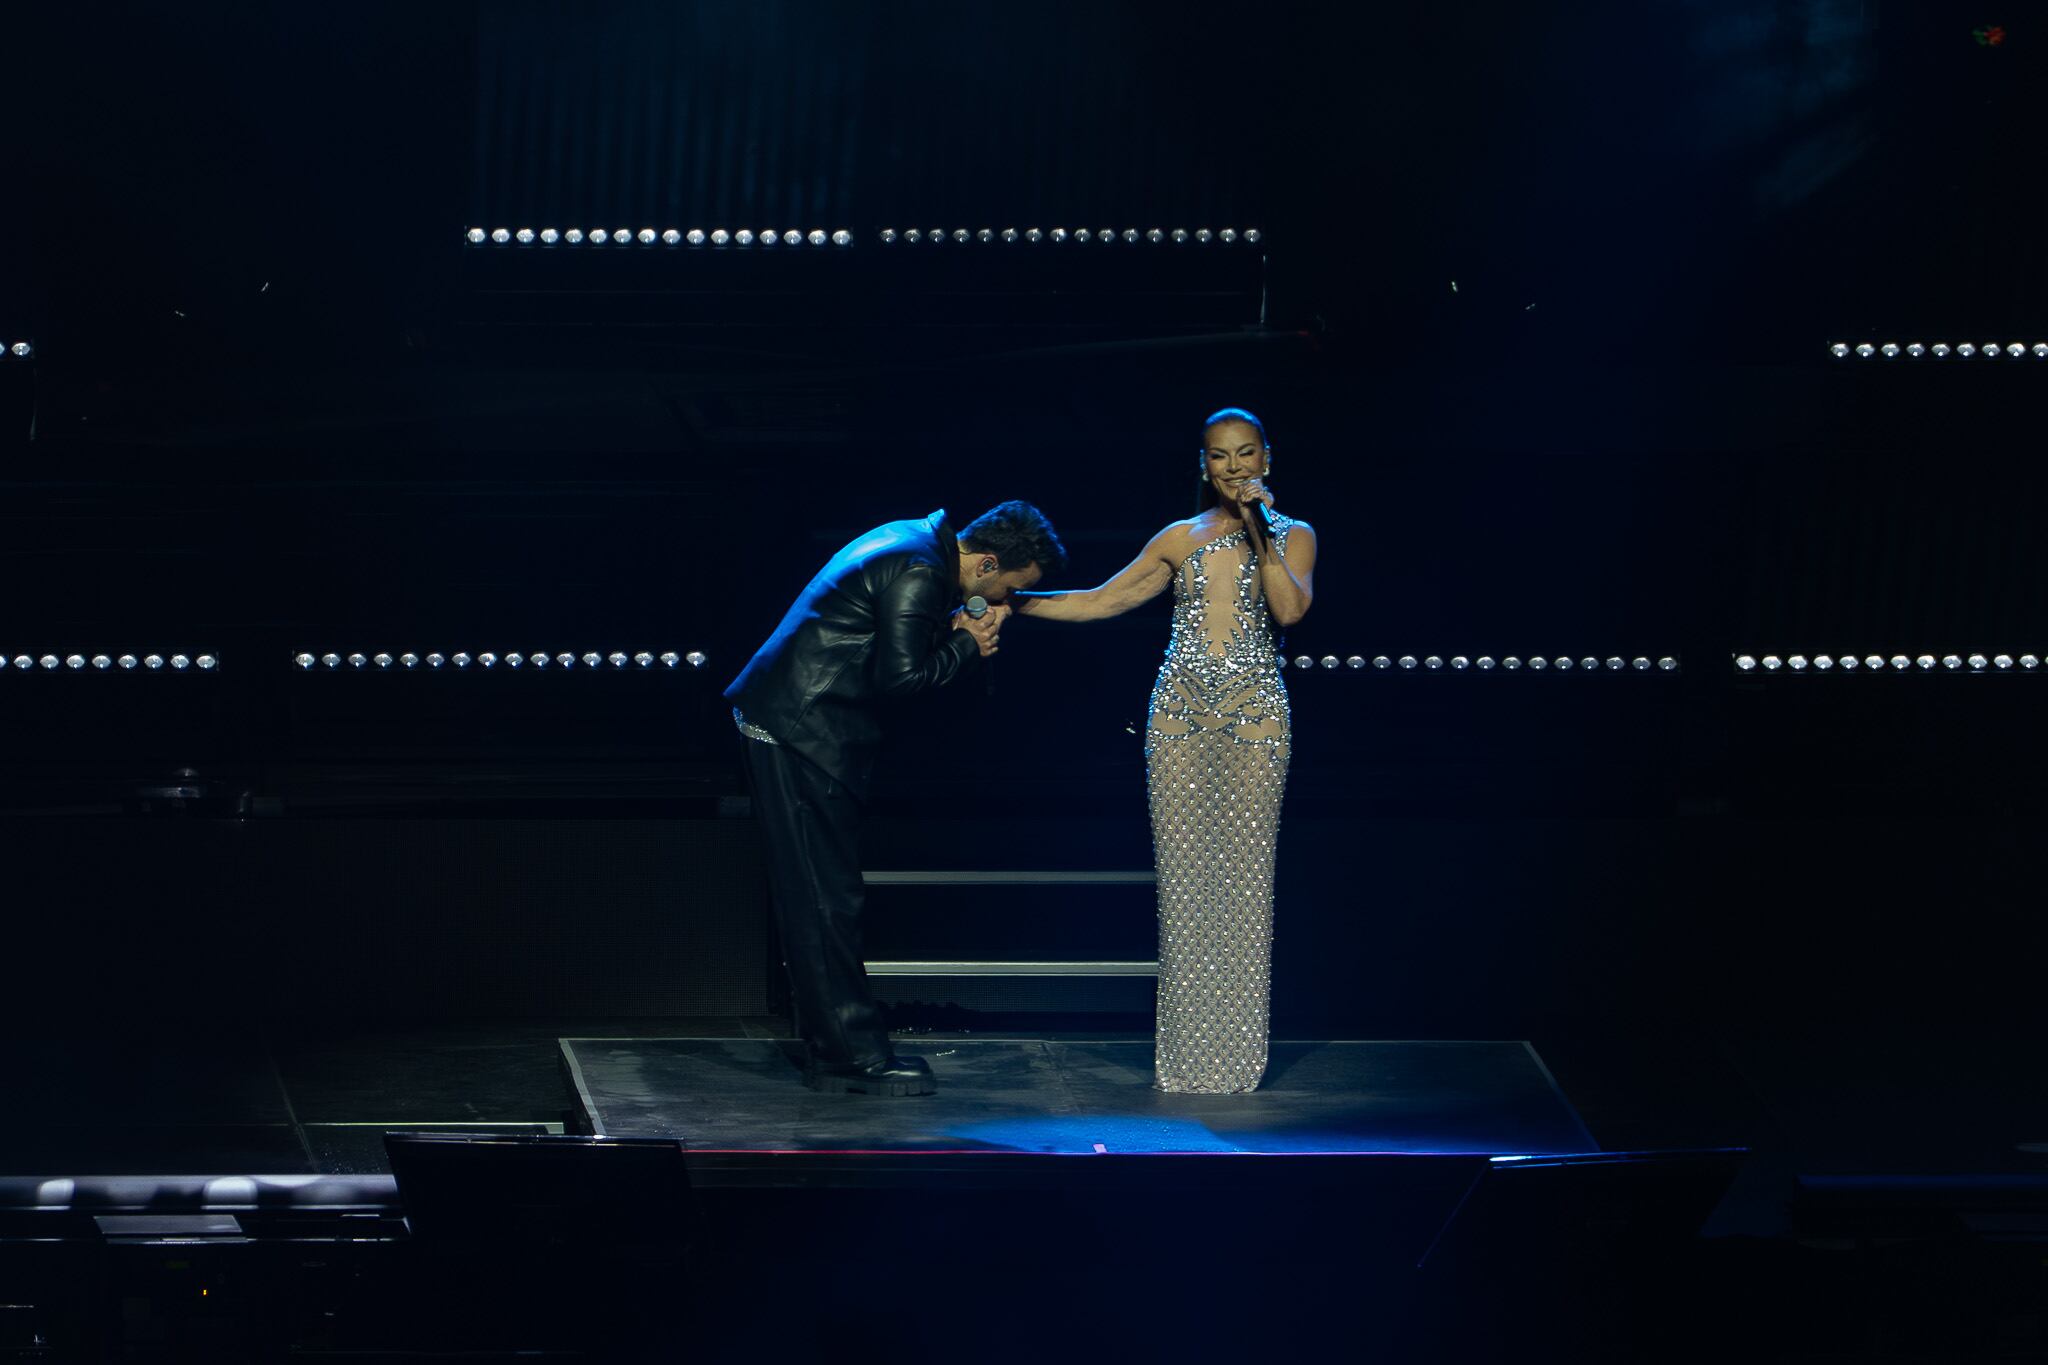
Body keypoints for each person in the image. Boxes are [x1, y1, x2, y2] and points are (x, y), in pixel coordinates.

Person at [1012, 410, 1315, 1093]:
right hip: (1178, 718)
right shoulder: (1179, 537)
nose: (1234, 467)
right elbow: (1099, 602)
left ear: (1266, 457)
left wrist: (1262, 530)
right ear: (1204, 465)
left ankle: (1234, 1059)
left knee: (1244, 884)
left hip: (1256, 720)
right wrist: (1014, 599)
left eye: (1245, 453)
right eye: (1220, 456)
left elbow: (1290, 610)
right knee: (1184, 887)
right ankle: (1187, 1058)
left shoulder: (1296, 534)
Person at [726, 502, 1067, 1095]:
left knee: (824, 896)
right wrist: (966, 643)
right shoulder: (920, 570)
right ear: (987, 563)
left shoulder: (919, 543)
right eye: (1010, 589)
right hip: (800, 732)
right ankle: (850, 1058)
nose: (1007, 602)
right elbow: (902, 678)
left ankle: (834, 1044)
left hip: (798, 725)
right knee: (824, 901)